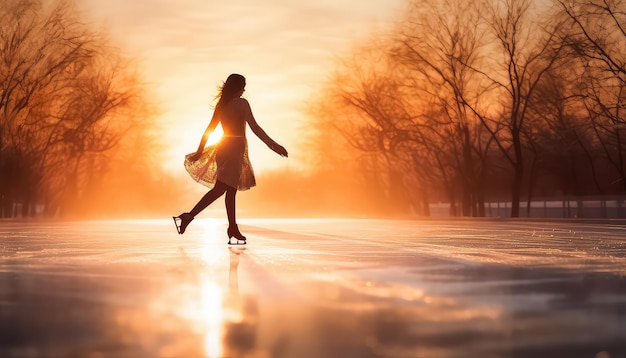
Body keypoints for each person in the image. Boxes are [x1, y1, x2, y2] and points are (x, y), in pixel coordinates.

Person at [173, 74, 288, 244]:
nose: (244, 89)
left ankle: (232, 228)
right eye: (243, 86)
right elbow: (255, 127)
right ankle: (188, 216)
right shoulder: (241, 104)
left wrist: (200, 150)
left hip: (223, 148)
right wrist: (273, 145)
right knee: (221, 189)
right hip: (234, 150)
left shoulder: (222, 105)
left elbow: (209, 130)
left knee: (230, 190)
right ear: (237, 87)